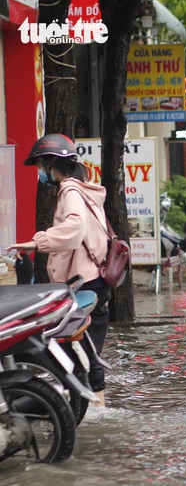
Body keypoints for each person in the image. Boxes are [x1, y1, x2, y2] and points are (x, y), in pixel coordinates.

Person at [6, 134, 111, 407]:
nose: (41, 173)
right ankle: (97, 412)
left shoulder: (71, 191)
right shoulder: (85, 188)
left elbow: (75, 229)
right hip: (95, 281)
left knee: (75, 354)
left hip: (84, 283)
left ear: (52, 164)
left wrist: (35, 242)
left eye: (42, 166)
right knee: (85, 352)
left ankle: (85, 411)